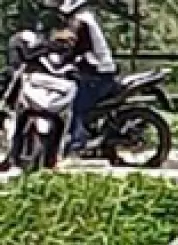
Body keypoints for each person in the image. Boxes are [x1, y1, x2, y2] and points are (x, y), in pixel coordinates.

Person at [49, 0, 117, 156]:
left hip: (99, 74)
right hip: (96, 71)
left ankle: (78, 143)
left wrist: (61, 61)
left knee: (76, 105)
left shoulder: (82, 22)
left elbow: (77, 48)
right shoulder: (83, 20)